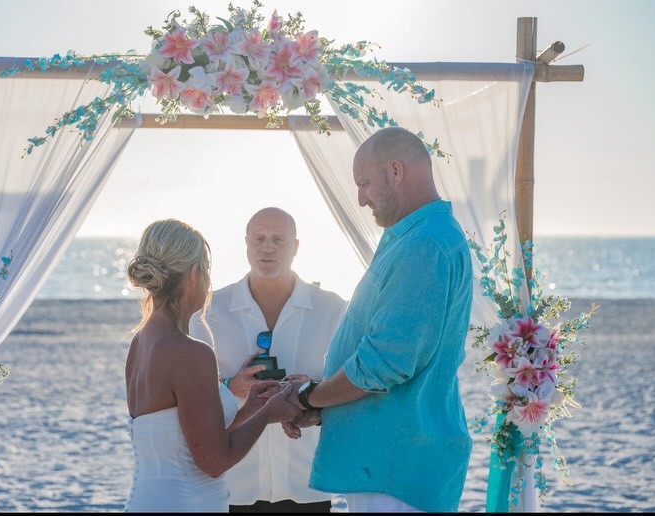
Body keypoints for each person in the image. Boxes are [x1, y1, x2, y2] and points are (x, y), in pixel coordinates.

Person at [283, 126, 474, 512]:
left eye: (364, 183)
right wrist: (321, 402)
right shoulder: (414, 236)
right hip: (389, 462)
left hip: (397, 467)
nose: (360, 198)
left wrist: (309, 398)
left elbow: (384, 362)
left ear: (396, 171)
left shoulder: (424, 244)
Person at [123, 219, 302, 513]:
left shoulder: (139, 345)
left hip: (145, 500)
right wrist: (271, 411)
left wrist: (248, 410)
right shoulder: (190, 352)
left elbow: (183, 439)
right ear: (194, 274)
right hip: (185, 504)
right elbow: (214, 461)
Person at [189, 207, 347, 513]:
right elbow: (192, 394)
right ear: (246, 244)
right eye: (259, 238)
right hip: (236, 484)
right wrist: (230, 385)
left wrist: (311, 390)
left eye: (279, 239)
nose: (268, 247)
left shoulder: (332, 308)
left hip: (308, 483)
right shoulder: (209, 312)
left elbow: (349, 382)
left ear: (296, 247)